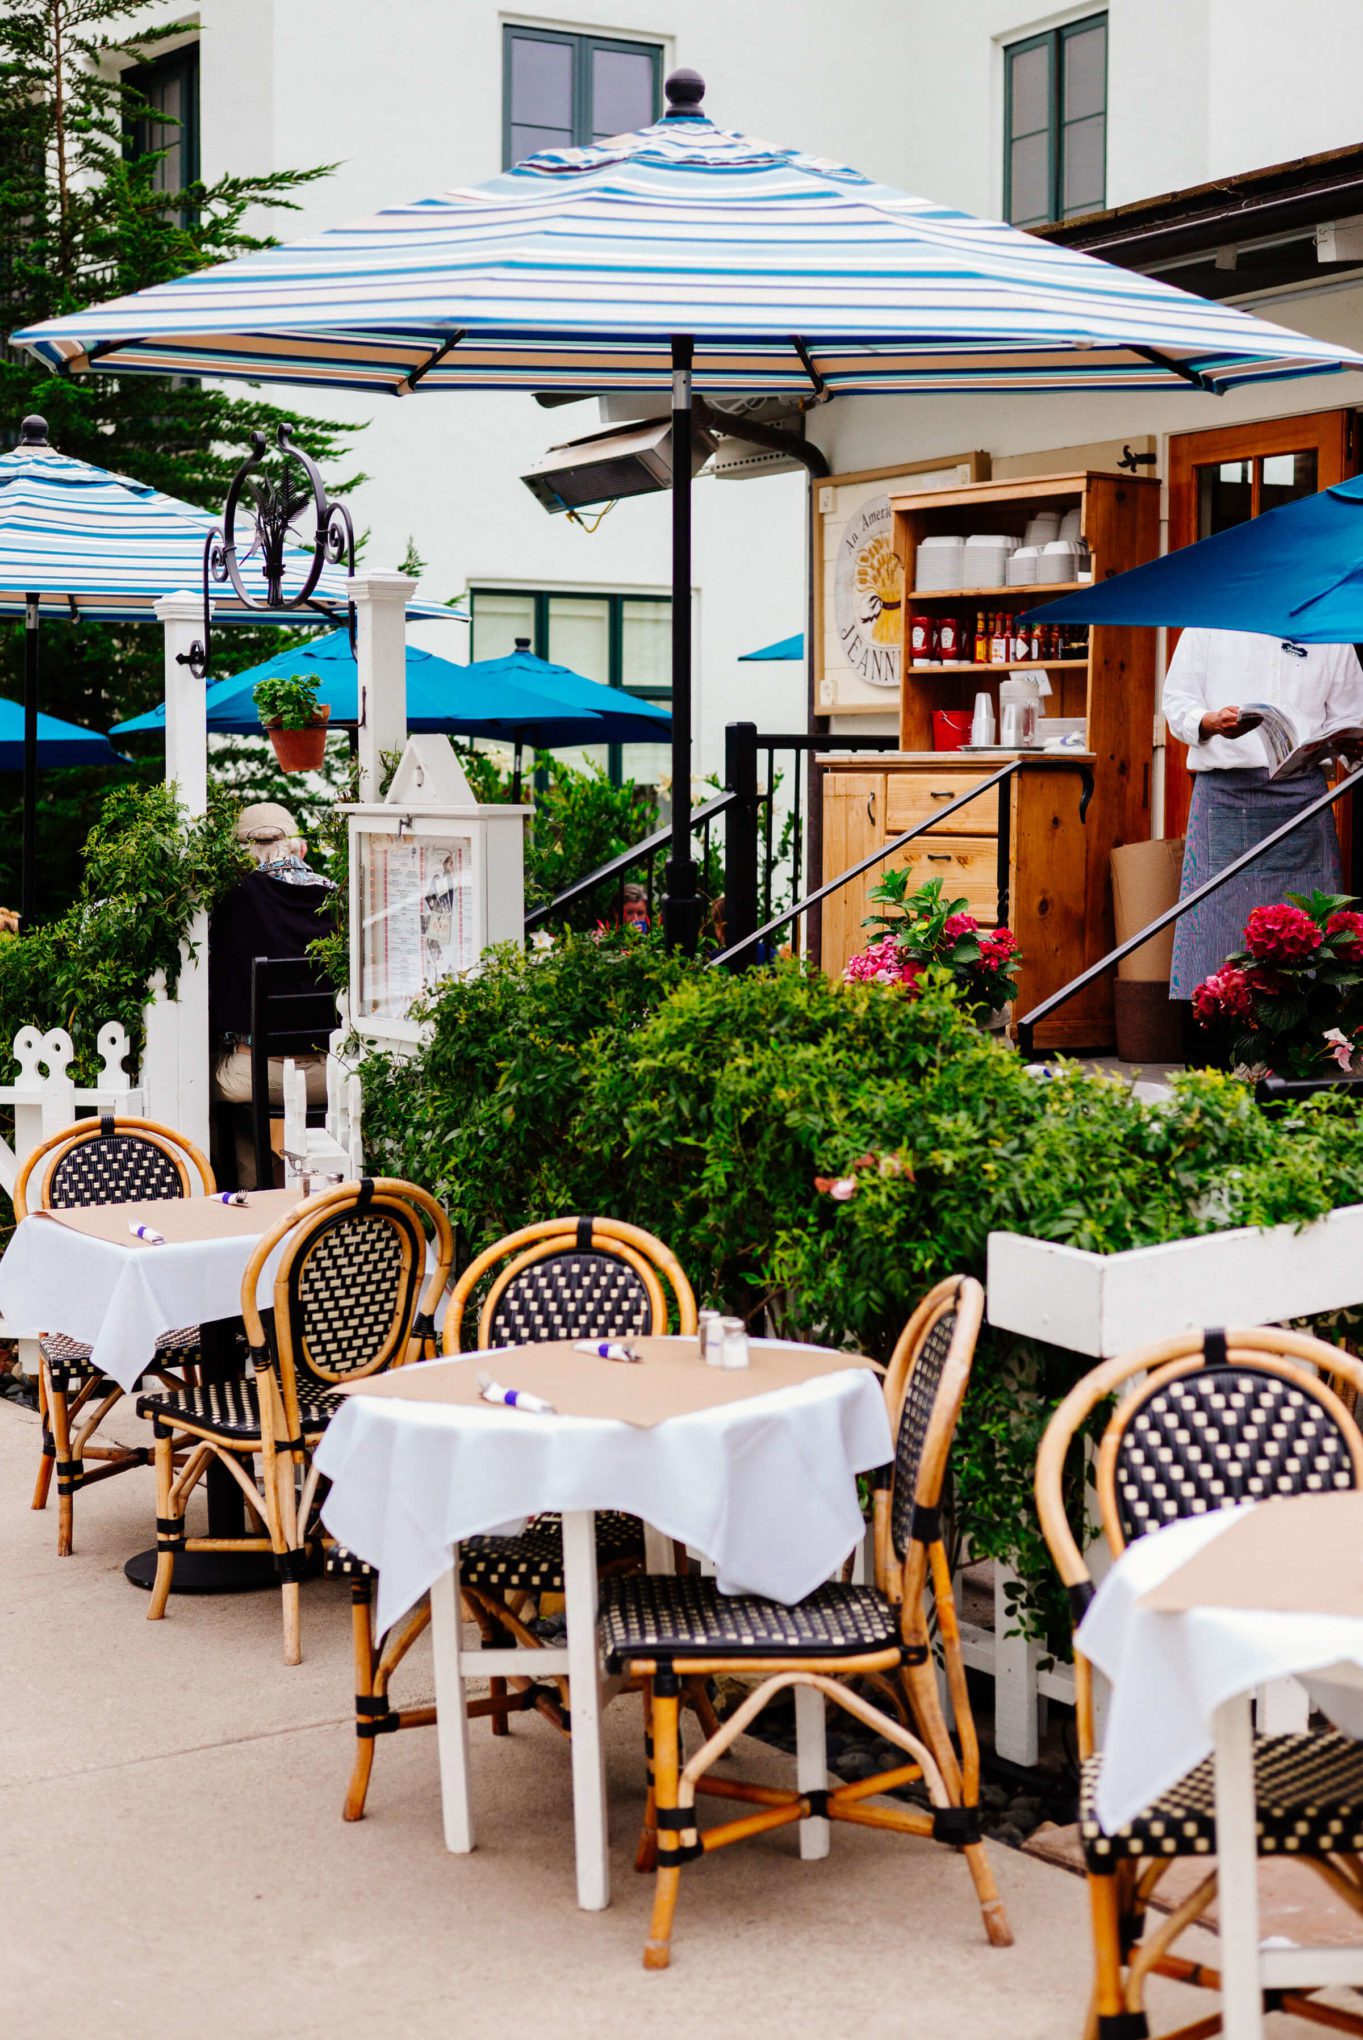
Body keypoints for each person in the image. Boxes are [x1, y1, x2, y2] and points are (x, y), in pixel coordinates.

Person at [1162, 627, 1363, 1001]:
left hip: (1303, 796)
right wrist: (1211, 721)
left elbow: (1352, 717)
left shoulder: (1329, 634)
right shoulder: (1208, 623)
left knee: (1310, 921)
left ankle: (1309, 1037)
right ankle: (1215, 1042)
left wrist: (1351, 745)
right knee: (1217, 921)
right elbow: (1177, 704)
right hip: (1226, 794)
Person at [209, 803, 337, 1188]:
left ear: (237, 855)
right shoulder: (336, 897)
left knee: (196, 1083)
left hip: (258, 1073)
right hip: (327, 1073)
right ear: (300, 848)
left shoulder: (229, 902)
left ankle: (241, 1187)